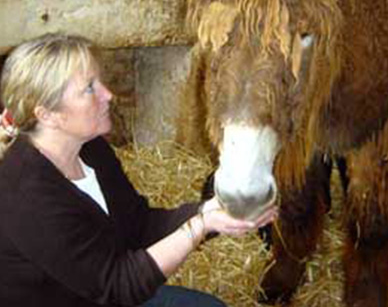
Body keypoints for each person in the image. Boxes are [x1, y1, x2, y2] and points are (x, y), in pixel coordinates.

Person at [0, 33, 277, 307]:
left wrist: (210, 211)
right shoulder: (25, 194)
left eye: (100, 82)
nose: (108, 95)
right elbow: (120, 287)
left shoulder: (90, 149)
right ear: (47, 115)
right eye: (89, 88)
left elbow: (138, 225)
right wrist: (199, 227)